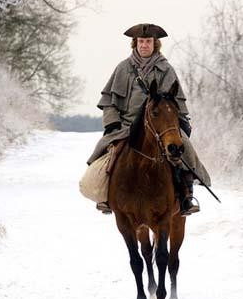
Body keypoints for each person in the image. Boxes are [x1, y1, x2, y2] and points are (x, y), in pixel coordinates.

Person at [87, 23, 211, 215]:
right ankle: (105, 196)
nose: (144, 45)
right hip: (127, 125)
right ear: (135, 44)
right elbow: (109, 101)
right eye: (141, 41)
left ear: (155, 44)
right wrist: (112, 123)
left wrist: (177, 124)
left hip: (159, 127)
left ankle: (186, 197)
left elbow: (174, 101)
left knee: (183, 150)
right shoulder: (123, 68)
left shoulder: (166, 69)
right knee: (107, 153)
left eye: (148, 42)